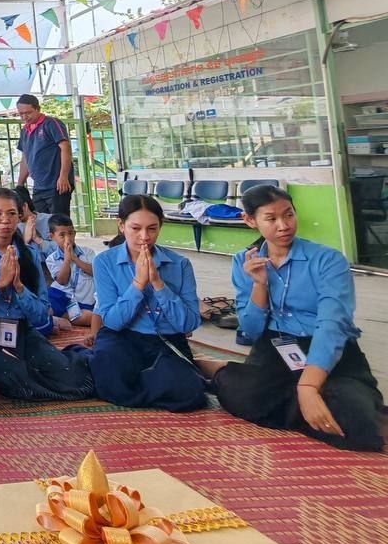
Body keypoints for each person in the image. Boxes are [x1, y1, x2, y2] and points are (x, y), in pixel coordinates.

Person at [202, 186, 384, 452]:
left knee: (356, 425)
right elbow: (251, 331)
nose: (284, 225)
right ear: (250, 221)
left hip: (326, 346)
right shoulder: (245, 261)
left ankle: (307, 397)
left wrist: (309, 385)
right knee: (244, 397)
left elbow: (333, 325)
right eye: (271, 218)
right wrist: (259, 286)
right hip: (277, 346)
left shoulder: (328, 260)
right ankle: (221, 370)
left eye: (289, 215)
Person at [0, 188, 94, 402]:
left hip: (23, 331)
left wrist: (19, 288)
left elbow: (41, 315)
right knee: (16, 377)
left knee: (73, 381)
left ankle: (70, 357)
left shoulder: (29, 254)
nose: (5, 221)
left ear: (19, 216)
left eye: (11, 214)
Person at [91, 196, 206, 412]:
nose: (144, 237)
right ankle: (151, 380)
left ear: (160, 228)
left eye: (152, 229)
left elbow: (189, 323)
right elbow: (113, 322)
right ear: (121, 225)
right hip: (123, 336)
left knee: (190, 394)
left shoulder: (180, 264)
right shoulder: (104, 262)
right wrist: (137, 284)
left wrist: (158, 283)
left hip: (165, 338)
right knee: (108, 369)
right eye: (135, 228)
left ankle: (144, 381)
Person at [14, 94, 74, 216]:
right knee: (40, 221)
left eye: (28, 112)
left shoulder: (51, 123)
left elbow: (65, 148)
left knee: (59, 221)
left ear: (38, 109)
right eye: (21, 114)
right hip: (39, 185)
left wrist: (63, 177)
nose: (25, 116)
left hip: (56, 184)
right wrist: (20, 184)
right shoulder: (24, 131)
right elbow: (25, 157)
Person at [45, 215, 98, 337]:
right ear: (52, 237)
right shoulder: (51, 259)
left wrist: (74, 258)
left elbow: (94, 271)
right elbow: (62, 281)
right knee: (46, 303)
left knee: (92, 317)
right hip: (63, 296)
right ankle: (63, 317)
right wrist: (67, 260)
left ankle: (64, 318)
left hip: (84, 299)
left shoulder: (88, 252)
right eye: (62, 235)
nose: (68, 238)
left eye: (70, 233)